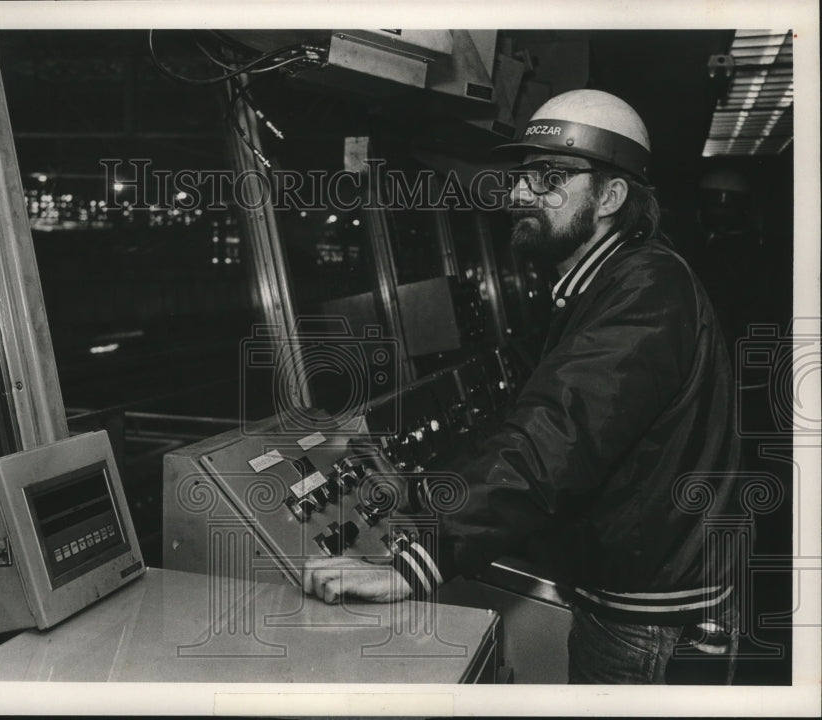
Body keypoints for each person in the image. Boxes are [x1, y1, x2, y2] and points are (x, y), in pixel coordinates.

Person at [302, 89, 743, 684]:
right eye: (521, 177)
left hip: (648, 629)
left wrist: (418, 564)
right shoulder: (605, 285)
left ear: (611, 197)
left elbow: (556, 436)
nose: (518, 194)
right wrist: (418, 490)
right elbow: (531, 426)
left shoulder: (647, 289)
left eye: (549, 177)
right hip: (635, 605)